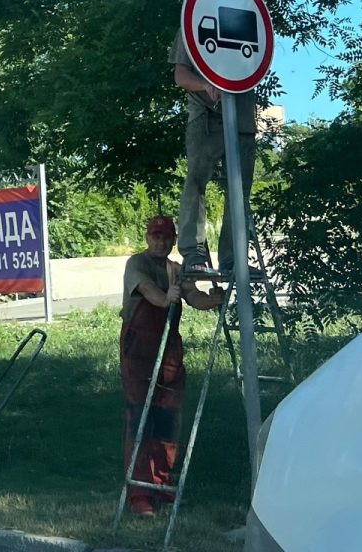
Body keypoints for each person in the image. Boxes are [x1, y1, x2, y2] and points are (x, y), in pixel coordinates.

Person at [120, 214, 224, 515]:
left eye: (166, 237)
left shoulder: (177, 270)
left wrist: (213, 299)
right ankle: (139, 492)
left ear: (173, 240)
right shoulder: (136, 264)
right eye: (155, 236)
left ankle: (161, 484)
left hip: (169, 350)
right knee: (140, 416)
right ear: (147, 237)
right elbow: (151, 293)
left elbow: (194, 297)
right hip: (138, 348)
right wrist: (167, 298)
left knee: (167, 417)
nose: (160, 241)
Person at [171, 27, 259, 273]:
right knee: (196, 180)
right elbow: (181, 75)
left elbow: (256, 65)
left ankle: (233, 258)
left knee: (240, 191)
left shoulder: (247, 25)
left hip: (242, 121)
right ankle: (193, 252)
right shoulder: (193, 23)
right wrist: (205, 84)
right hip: (206, 119)